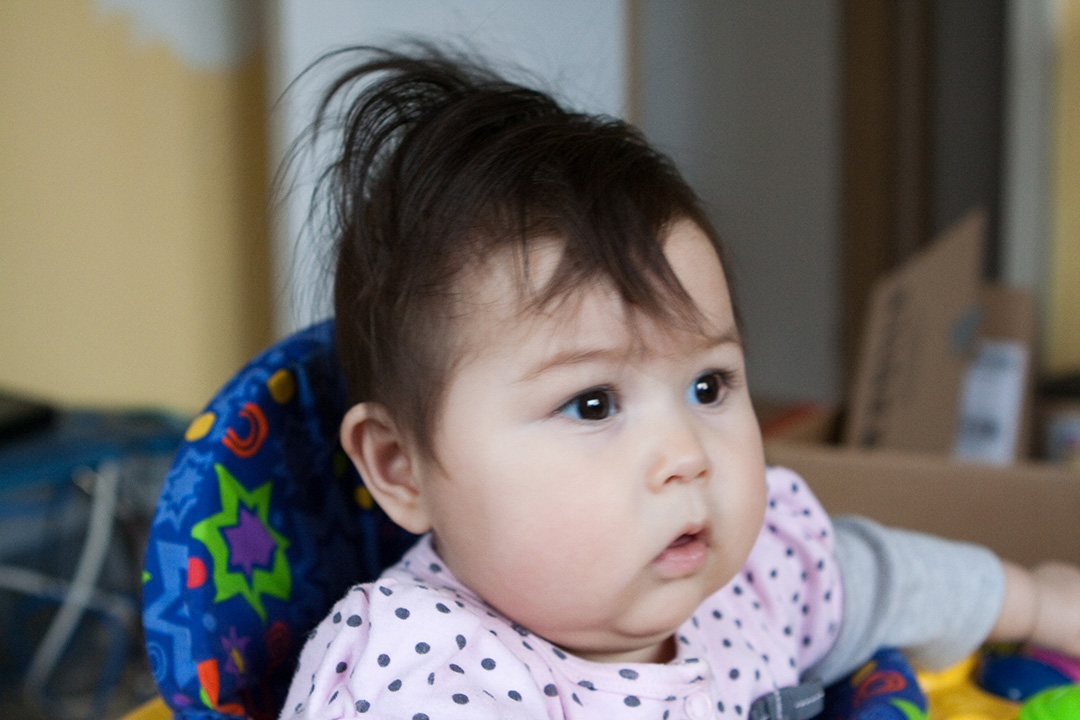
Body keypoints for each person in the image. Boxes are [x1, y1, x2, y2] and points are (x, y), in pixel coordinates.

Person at [280, 45, 1080, 719]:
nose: (687, 454)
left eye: (708, 387)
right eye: (593, 403)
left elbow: (874, 580)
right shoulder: (421, 675)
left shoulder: (745, 579)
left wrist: (1036, 600)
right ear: (400, 467)